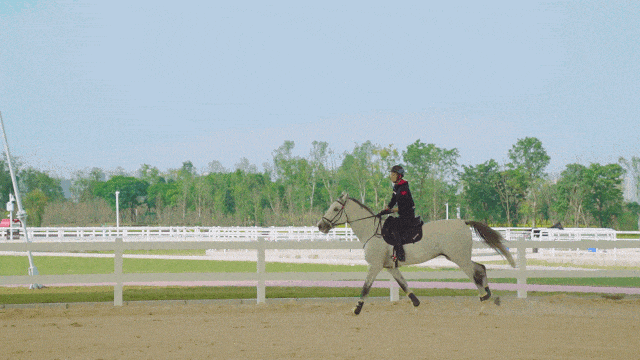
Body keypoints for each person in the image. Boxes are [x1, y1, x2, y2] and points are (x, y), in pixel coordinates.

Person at [378, 165, 416, 262]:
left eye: (393, 174)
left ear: (399, 176)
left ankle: (400, 252)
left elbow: (405, 205)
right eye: (391, 174)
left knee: (394, 226)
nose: (391, 176)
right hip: (402, 215)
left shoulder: (403, 188)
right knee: (389, 221)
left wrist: (392, 210)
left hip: (408, 215)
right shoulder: (396, 186)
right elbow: (393, 200)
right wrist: (388, 208)